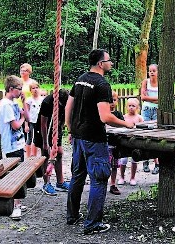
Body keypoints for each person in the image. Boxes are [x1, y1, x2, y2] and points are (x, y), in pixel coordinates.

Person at [65, 49, 135, 235]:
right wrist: (125, 123)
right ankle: (93, 224)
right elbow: (105, 117)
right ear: (100, 64)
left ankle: (72, 216)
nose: (111, 63)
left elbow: (69, 105)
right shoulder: (102, 84)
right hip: (94, 139)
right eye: (108, 60)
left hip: (78, 137)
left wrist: (70, 127)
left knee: (77, 175)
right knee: (99, 179)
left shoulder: (80, 79)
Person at [0, 75, 29, 220]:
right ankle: (15, 206)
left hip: (19, 143)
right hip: (11, 145)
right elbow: (16, 125)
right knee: (15, 175)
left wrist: (24, 104)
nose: (21, 91)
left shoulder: (15, 103)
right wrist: (22, 118)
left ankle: (18, 202)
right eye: (19, 89)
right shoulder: (6, 105)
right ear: (11, 89)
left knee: (20, 173)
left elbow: (27, 117)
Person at [37, 89, 70, 196]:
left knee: (59, 153)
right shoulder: (47, 102)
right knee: (46, 155)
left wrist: (60, 132)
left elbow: (63, 118)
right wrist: (46, 143)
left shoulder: (66, 102)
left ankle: (60, 182)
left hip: (56, 128)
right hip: (43, 130)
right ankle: (46, 184)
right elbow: (43, 124)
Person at [118, 98, 144, 187]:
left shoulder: (139, 118)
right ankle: (121, 177)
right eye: (129, 106)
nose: (131, 108)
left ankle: (132, 177)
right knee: (123, 159)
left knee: (134, 159)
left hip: (135, 142)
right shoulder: (124, 117)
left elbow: (143, 129)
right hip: (125, 142)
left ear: (137, 107)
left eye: (133, 106)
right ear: (126, 107)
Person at [140, 63, 159, 174]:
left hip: (156, 111)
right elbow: (143, 98)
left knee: (155, 136)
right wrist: (154, 99)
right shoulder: (145, 82)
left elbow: (161, 99)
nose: (151, 72)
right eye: (150, 71)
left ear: (158, 72)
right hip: (146, 110)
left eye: (153, 71)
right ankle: (145, 160)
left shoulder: (161, 83)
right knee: (145, 135)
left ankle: (157, 163)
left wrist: (149, 98)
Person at [108, 91, 126, 195]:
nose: (112, 103)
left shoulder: (118, 114)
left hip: (115, 144)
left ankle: (113, 184)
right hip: (106, 144)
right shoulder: (103, 114)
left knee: (114, 166)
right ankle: (102, 183)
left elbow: (123, 124)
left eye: (114, 100)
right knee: (105, 165)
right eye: (110, 100)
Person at [24, 80, 44, 158]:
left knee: (37, 138)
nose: (35, 89)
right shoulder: (29, 100)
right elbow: (27, 113)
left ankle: (35, 155)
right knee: (29, 138)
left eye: (36, 88)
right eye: (33, 88)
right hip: (31, 121)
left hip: (39, 122)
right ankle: (28, 156)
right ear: (30, 90)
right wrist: (26, 125)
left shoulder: (42, 100)